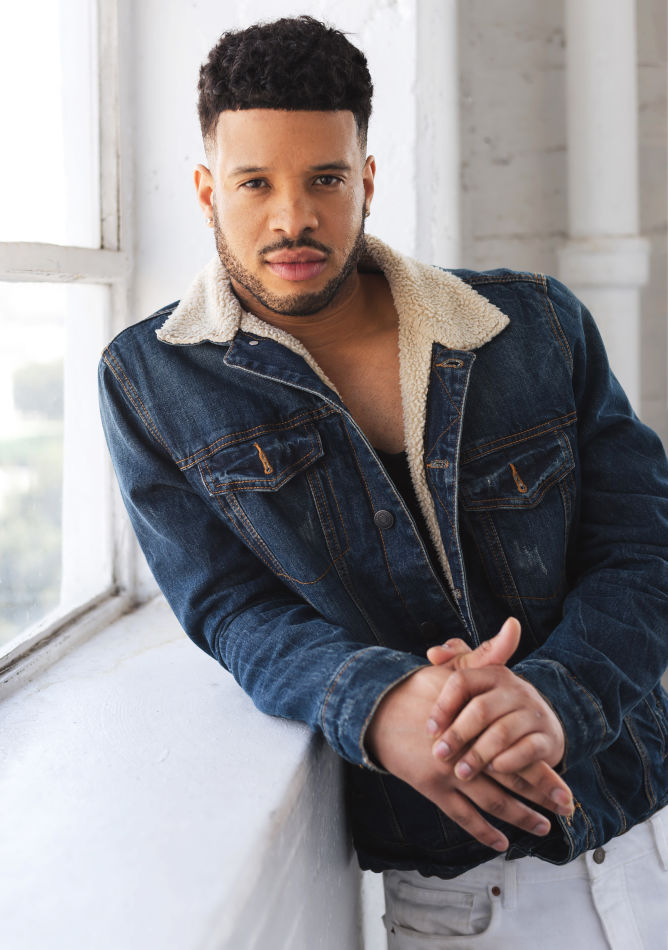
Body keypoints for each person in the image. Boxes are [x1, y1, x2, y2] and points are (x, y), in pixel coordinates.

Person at [98, 15, 668, 947]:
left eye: (325, 179)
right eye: (255, 183)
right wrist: (375, 702)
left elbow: (645, 547)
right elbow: (231, 611)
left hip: (643, 815)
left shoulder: (535, 324)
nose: (292, 218)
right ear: (207, 190)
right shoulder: (150, 380)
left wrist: (558, 697)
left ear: (366, 179)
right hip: (453, 891)